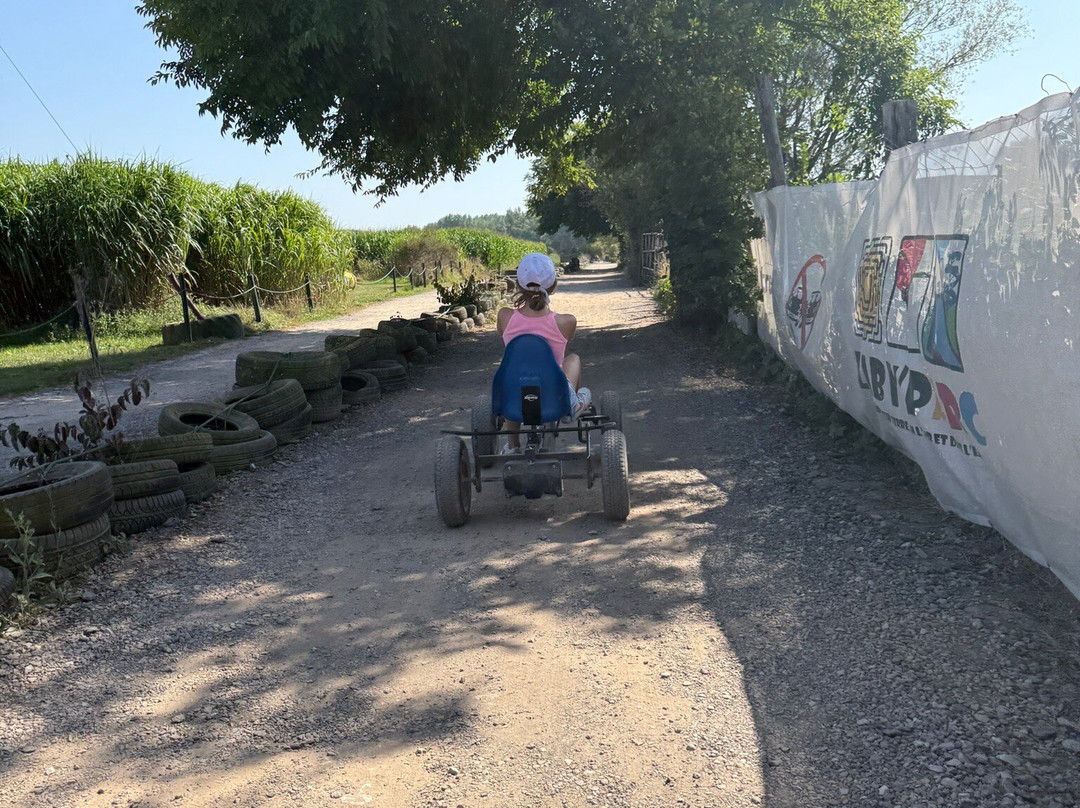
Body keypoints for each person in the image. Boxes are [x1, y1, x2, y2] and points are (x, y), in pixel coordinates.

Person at [496, 253, 591, 452]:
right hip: (553, 395)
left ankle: (513, 445)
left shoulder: (505, 317)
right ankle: (571, 406)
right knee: (572, 359)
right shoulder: (566, 322)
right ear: (553, 286)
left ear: (519, 285)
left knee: (510, 375)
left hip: (513, 398)